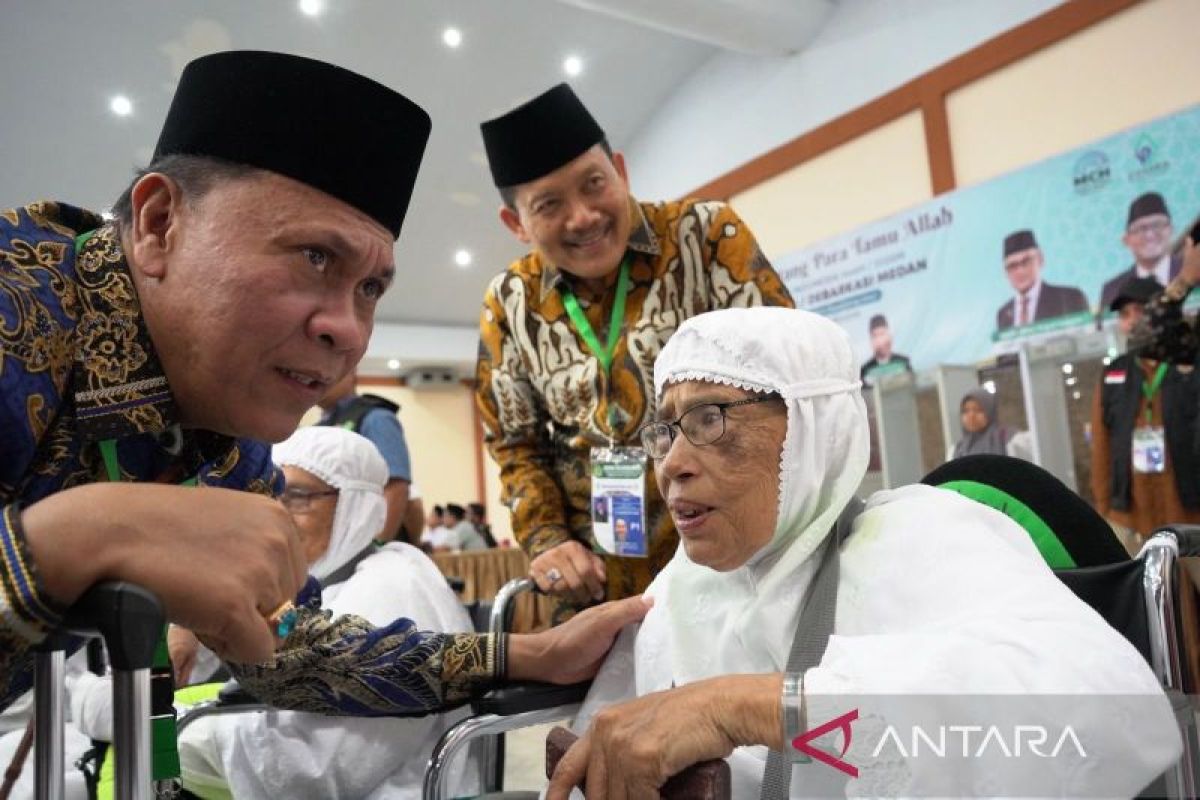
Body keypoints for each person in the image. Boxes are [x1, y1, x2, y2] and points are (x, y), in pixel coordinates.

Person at [0, 50, 649, 721]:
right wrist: (75, 539)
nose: (349, 330)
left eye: (369, 288)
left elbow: (291, 642)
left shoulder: (224, 440)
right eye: (314, 257)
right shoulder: (17, 312)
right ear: (160, 223)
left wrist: (526, 654)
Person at [548, 307, 1178, 799]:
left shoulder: (920, 538)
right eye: (666, 430)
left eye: (710, 420)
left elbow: (1107, 714)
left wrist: (747, 707)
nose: (672, 465)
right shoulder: (679, 585)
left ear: (812, 428)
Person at [475, 82, 794, 619]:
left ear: (620, 171)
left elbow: (787, 377)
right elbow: (516, 445)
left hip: (736, 569)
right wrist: (548, 540)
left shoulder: (705, 238)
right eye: (549, 205)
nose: (582, 216)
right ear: (516, 224)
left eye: (594, 184)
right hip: (596, 591)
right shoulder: (509, 303)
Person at [176, 427, 477, 799]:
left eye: (297, 497)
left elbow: (312, 771)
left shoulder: (390, 590)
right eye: (270, 495)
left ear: (355, 504)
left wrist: (177, 730)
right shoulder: (326, 580)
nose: (277, 516)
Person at [317, 372, 412, 542]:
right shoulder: (317, 428)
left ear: (351, 373)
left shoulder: (376, 419)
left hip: (364, 541)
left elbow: (396, 487)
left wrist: (378, 543)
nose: (319, 378)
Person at [1098, 192, 1182, 315]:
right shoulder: (1112, 290)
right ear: (1127, 240)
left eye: (1157, 225)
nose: (1149, 235)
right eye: (1140, 229)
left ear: (1171, 230)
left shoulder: (1193, 272)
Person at [995, 229, 1089, 331]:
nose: (1020, 271)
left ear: (1040, 260)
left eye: (1026, 261)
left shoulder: (1069, 298)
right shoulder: (1003, 314)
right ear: (1005, 272)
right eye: (1012, 266)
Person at [949, 387, 1032, 461]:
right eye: (965, 411)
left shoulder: (1009, 439)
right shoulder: (957, 450)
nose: (971, 416)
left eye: (978, 410)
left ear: (990, 412)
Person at [858, 313, 911, 385]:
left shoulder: (903, 362)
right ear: (871, 341)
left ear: (890, 337)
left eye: (882, 334)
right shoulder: (865, 371)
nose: (880, 341)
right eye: (875, 336)